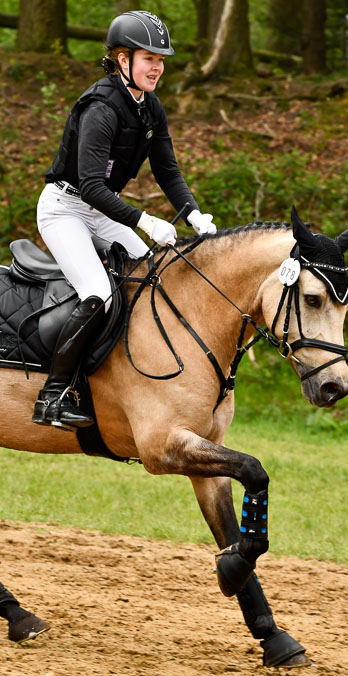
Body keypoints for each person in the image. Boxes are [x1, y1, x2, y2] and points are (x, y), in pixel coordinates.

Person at [33, 10, 216, 429]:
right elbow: (90, 187)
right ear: (122, 59)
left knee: (153, 279)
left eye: (161, 60)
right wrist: (145, 222)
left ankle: (124, 382)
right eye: (149, 58)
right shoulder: (100, 107)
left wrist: (193, 213)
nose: (157, 67)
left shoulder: (151, 107)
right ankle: (53, 396)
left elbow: (167, 170)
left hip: (103, 210)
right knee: (99, 293)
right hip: (65, 209)